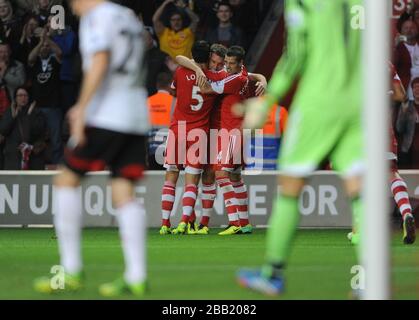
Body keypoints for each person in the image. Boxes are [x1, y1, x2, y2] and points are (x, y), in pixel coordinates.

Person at [235, 0, 364, 295]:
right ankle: (369, 279)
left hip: (319, 102)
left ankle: (272, 273)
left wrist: (267, 101)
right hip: (360, 102)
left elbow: (296, 55)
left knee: (291, 186)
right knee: (360, 191)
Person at [33, 0, 149, 297]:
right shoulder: (127, 17)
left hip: (107, 113)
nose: (72, 6)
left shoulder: (97, 18)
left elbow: (100, 60)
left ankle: (71, 270)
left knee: (65, 181)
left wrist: (81, 108)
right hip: (135, 112)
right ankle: (136, 276)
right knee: (123, 191)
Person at [160, 40, 227, 235]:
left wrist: (194, 69)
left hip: (177, 130)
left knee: (171, 177)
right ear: (208, 58)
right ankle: (184, 222)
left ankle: (165, 223)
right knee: (193, 181)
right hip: (200, 133)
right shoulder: (217, 78)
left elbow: (179, 66)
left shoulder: (180, 71)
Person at [28, 29, 63, 164]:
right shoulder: (35, 61)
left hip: (53, 106)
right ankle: (34, 165)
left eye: (47, 46)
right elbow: (30, 57)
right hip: (36, 106)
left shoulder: (55, 61)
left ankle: (57, 165)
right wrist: (41, 41)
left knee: (56, 139)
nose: (44, 47)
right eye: (42, 46)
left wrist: (47, 39)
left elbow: (59, 52)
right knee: (34, 137)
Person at [0, 86, 48, 170]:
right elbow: (3, 130)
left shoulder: (36, 112)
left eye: (25, 95)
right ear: (15, 98)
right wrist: (13, 118)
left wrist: (30, 116)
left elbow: (38, 131)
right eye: (20, 95)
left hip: (32, 157)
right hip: (13, 157)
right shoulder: (9, 112)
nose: (23, 98)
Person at [147, 72, 176, 170]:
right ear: (170, 85)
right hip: (169, 152)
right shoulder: (175, 102)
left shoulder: (147, 102)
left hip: (151, 151)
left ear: (157, 85)